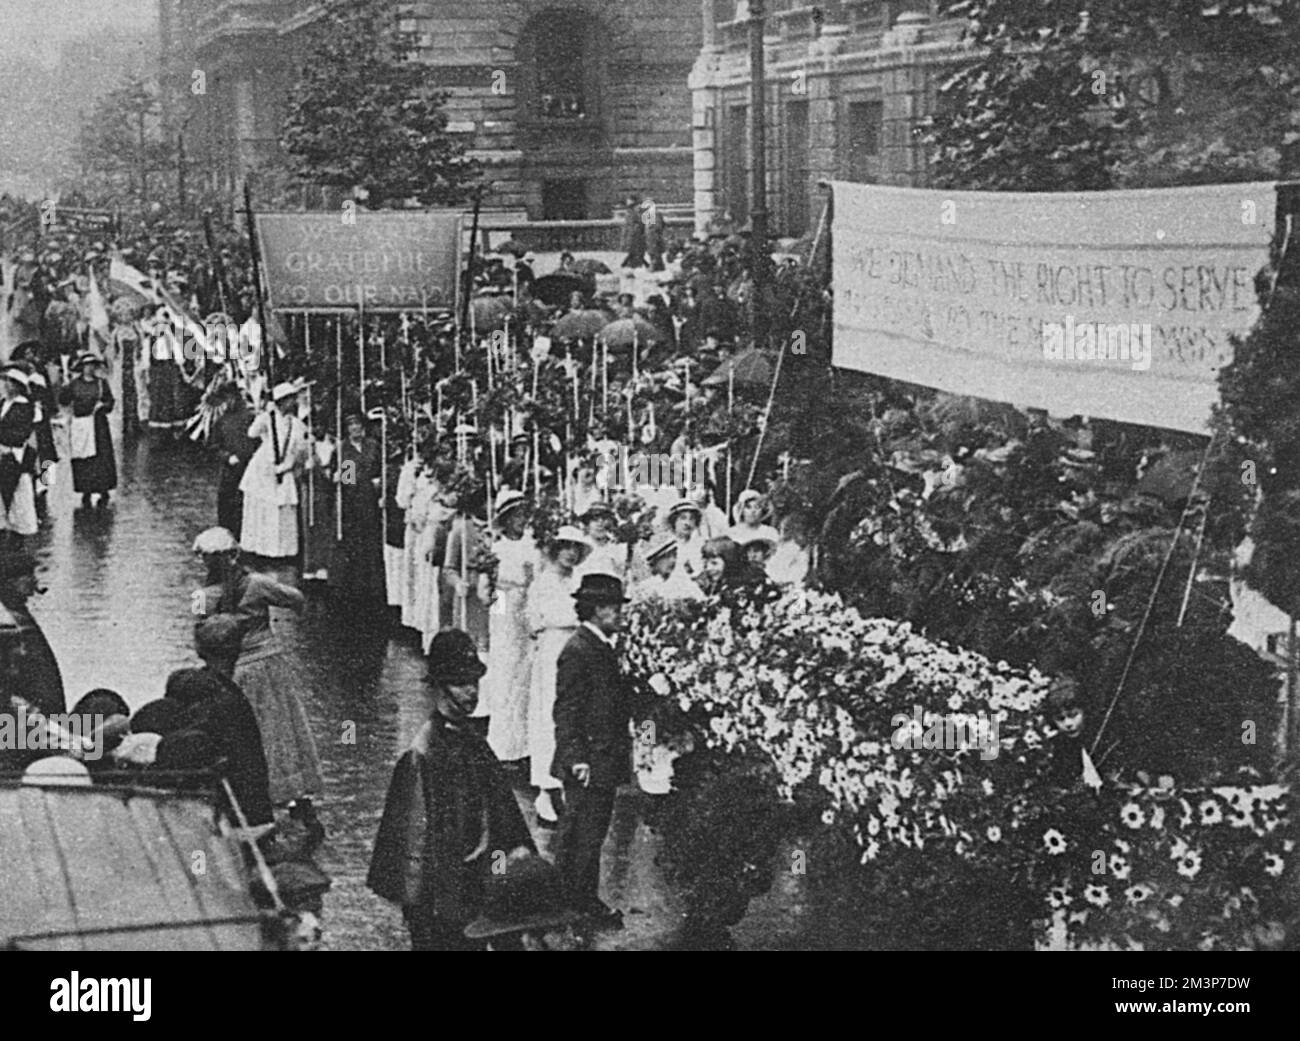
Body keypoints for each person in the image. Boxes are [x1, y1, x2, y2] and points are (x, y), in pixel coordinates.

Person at [367, 629, 535, 951]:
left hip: (477, 889)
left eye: (475, 682)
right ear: (439, 686)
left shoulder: (474, 742)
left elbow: (500, 822)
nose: (472, 692)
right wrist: (428, 913)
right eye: (461, 683)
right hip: (444, 902)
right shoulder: (423, 754)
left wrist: (506, 872)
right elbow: (412, 856)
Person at [191, 526, 324, 832]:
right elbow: (295, 597)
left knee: (241, 734)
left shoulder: (201, 597)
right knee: (281, 731)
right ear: (234, 554)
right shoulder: (257, 584)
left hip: (232, 670)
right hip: (267, 663)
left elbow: (200, 635)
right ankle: (298, 800)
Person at [551, 572, 639, 927]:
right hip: (588, 760)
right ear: (595, 609)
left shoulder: (599, 645)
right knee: (583, 834)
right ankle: (576, 904)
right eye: (612, 608)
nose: (619, 614)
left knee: (589, 834)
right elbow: (566, 709)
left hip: (603, 757)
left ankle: (579, 899)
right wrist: (575, 758)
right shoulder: (578, 649)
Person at [159, 614, 275, 830]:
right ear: (237, 650)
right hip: (232, 813)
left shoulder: (182, 685)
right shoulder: (232, 701)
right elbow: (249, 766)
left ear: (200, 650)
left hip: (187, 799)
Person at [527, 525, 592, 825]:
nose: (570, 553)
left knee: (573, 715)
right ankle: (545, 789)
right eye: (565, 546)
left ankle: (567, 782)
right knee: (547, 717)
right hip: (552, 650)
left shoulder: (578, 580)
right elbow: (542, 617)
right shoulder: (543, 582)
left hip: (577, 652)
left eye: (575, 548)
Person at [484, 490, 536, 764]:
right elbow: (489, 593)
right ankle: (504, 746)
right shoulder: (496, 547)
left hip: (528, 609)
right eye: (515, 516)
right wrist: (501, 613)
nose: (521, 520)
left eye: (523, 515)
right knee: (505, 674)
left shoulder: (532, 545)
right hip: (505, 612)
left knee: (525, 678)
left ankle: (525, 746)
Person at [239, 381, 308, 559]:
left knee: (283, 507)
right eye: (289, 400)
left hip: (285, 468)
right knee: (263, 507)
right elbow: (252, 433)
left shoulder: (298, 425)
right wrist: (263, 415)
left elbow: (301, 449)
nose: (292, 403)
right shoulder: (267, 418)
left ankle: (282, 551)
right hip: (264, 468)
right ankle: (259, 550)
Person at [330, 412, 385, 607]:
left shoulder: (373, 446)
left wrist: (378, 483)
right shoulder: (343, 449)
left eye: (358, 424)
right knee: (353, 542)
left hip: (371, 500)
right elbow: (347, 481)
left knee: (371, 541)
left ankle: (372, 583)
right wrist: (340, 476)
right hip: (352, 503)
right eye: (351, 425)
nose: (355, 428)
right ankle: (353, 584)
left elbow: (379, 469)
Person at [209, 384, 257, 539]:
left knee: (245, 504)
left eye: (231, 398)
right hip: (230, 470)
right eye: (226, 399)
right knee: (226, 503)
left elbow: (257, 441)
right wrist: (227, 457)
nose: (229, 402)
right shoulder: (221, 421)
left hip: (248, 468)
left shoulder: (250, 418)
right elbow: (213, 446)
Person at [0, 367, 38, 539]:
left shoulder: (24, 407)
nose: (4, 385)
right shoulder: (3, 403)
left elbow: (21, 432)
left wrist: (5, 443)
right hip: (2, 453)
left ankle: (20, 530)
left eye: (8, 382)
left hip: (15, 454)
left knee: (18, 492)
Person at [633, 537, 703, 603]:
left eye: (674, 554)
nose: (673, 560)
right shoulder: (646, 589)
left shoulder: (686, 583)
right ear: (654, 562)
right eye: (667, 556)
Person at [666, 499, 705, 579]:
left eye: (691, 519)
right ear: (674, 521)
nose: (687, 523)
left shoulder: (701, 546)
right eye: (683, 518)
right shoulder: (667, 548)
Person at [620, 195, 646, 270]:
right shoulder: (630, 214)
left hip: (637, 240)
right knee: (634, 258)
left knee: (636, 257)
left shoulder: (638, 214)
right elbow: (626, 229)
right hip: (633, 240)